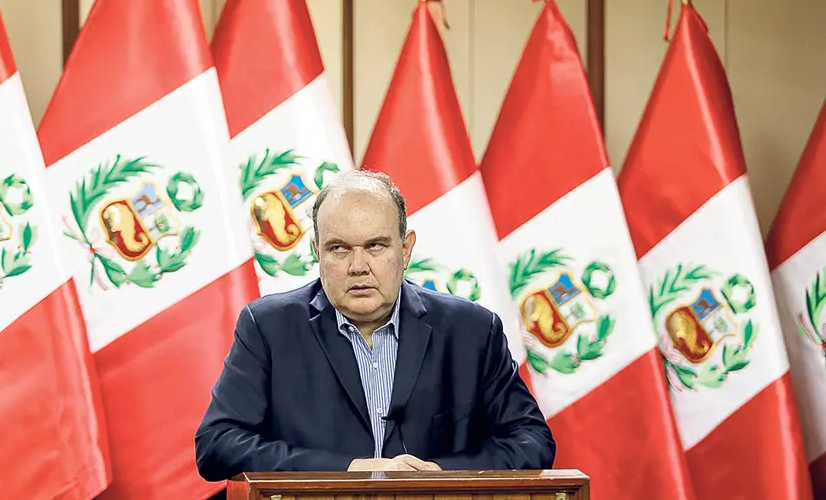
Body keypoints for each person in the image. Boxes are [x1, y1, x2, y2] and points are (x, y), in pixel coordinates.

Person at [194, 170, 555, 479]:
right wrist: (347, 470)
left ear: (406, 248)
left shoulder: (471, 331)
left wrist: (440, 475)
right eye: (339, 248)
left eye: (376, 246)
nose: (358, 266)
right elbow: (217, 444)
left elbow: (531, 441)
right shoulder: (269, 328)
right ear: (317, 251)